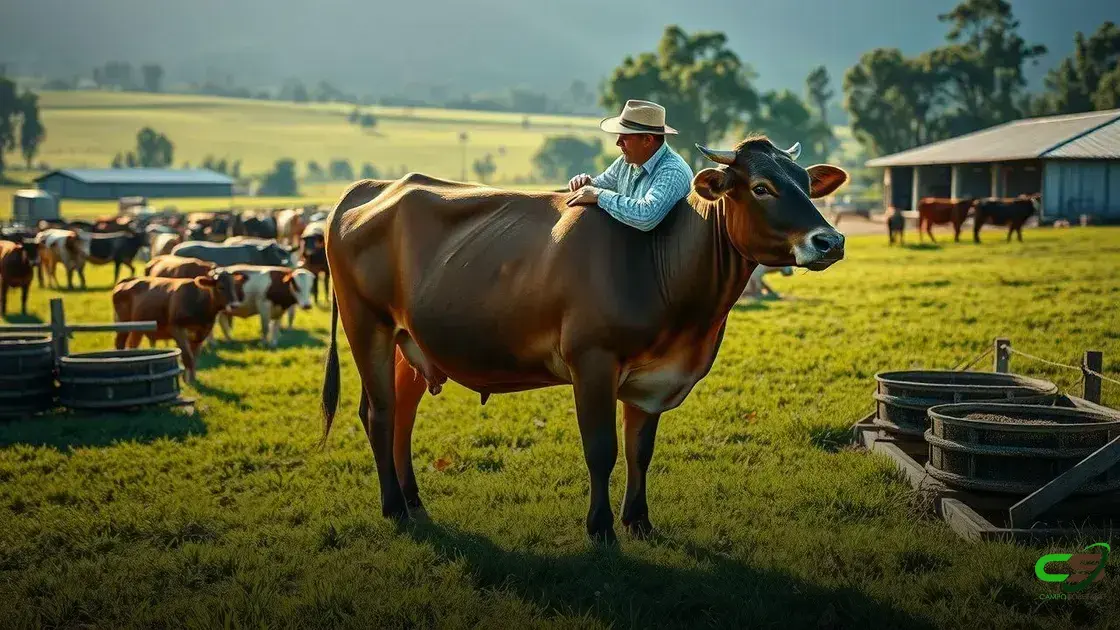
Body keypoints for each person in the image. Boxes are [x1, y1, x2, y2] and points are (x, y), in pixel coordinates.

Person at [566, 99, 695, 232]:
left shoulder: (673, 171)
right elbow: (600, 184)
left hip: (661, 252)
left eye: (625, 136)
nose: (618, 142)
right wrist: (586, 183)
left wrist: (598, 195)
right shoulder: (626, 161)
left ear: (647, 140)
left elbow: (646, 216)